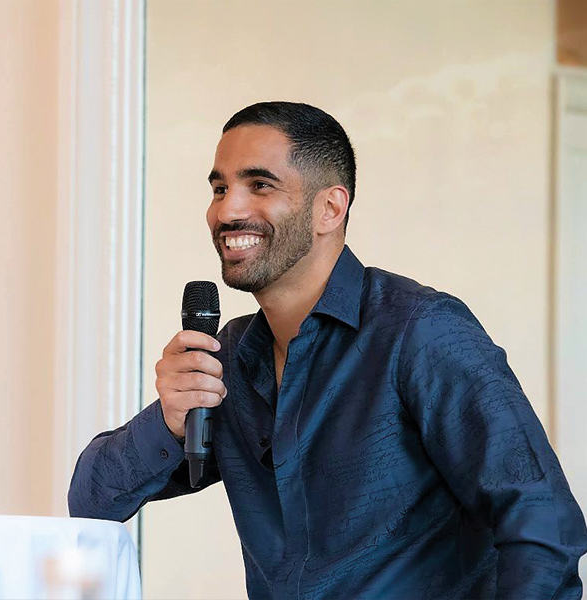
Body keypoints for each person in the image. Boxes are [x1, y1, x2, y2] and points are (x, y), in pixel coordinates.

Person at [68, 102, 587, 598]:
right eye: (220, 188)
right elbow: (92, 500)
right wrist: (170, 419)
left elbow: (543, 524)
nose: (228, 209)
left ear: (329, 208)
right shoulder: (228, 358)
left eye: (259, 185)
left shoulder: (418, 331)